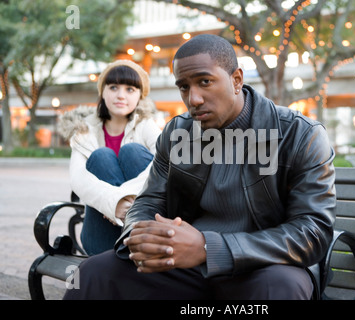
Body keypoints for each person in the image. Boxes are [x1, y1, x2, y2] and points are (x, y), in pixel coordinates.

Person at [63, 34, 336, 300]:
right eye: (183, 87)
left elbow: (311, 232)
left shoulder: (300, 134)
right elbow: (148, 202)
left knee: (279, 287)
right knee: (94, 273)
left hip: (262, 266)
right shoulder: (177, 132)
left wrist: (209, 248)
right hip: (186, 266)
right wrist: (143, 234)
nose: (193, 99)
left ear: (237, 79)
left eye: (205, 82)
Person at [58, 60, 161, 256]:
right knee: (101, 157)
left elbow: (166, 162)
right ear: (103, 92)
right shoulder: (84, 129)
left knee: (132, 152)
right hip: (101, 235)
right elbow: (78, 178)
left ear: (140, 96)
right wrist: (113, 203)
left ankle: (134, 229)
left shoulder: (145, 125)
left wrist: (124, 199)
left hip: (144, 230)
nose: (121, 95)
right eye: (113, 87)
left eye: (130, 89)